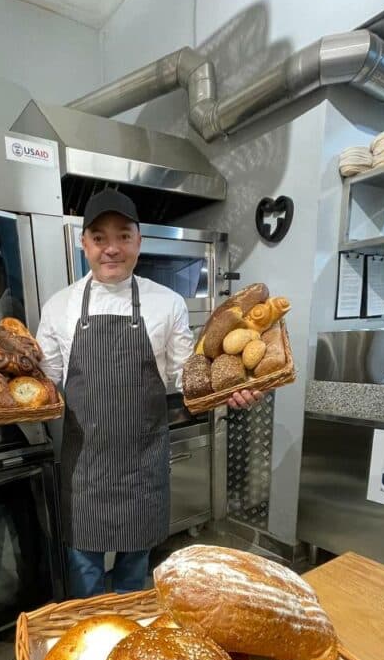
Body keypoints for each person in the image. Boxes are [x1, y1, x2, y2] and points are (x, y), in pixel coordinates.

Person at [35, 189, 263, 599]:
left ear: (138, 241)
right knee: (83, 569)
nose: (111, 249)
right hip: (85, 469)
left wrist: (228, 390)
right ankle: (90, 640)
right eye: (100, 237)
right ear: (83, 243)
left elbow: (184, 377)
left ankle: (130, 640)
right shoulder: (59, 307)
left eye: (123, 236)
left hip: (142, 467)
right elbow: (46, 383)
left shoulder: (167, 304)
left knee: (134, 569)